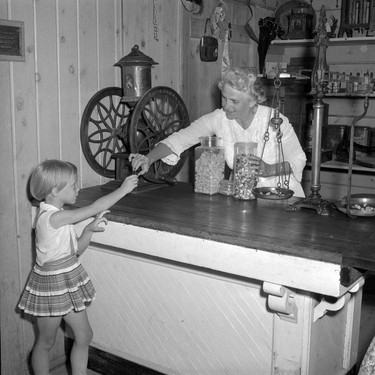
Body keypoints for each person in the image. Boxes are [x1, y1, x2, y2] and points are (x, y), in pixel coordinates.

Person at [18, 159, 138, 375]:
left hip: (67, 280)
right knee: (46, 342)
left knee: (84, 336)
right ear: (54, 190)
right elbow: (96, 207)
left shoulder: (60, 218)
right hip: (51, 287)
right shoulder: (54, 218)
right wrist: (123, 189)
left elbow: (74, 253)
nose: (78, 188)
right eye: (73, 185)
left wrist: (88, 231)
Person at [129, 67, 306, 197]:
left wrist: (268, 169)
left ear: (252, 102)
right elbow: (182, 138)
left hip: (283, 199)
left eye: (234, 102)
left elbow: (298, 159)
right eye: (224, 98)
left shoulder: (275, 120)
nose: (226, 105)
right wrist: (148, 158)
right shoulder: (219, 118)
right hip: (245, 198)